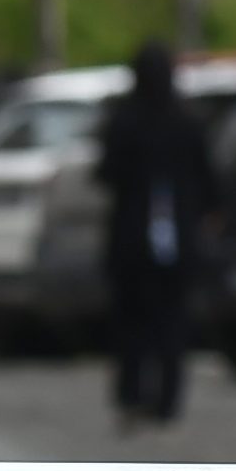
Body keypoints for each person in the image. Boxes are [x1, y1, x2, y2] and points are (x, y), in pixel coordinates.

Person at [95, 43, 215, 426]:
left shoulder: (125, 120)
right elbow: (208, 180)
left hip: (132, 241)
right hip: (175, 241)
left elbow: (106, 173)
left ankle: (134, 394)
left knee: (133, 322)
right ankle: (166, 399)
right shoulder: (186, 120)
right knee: (171, 321)